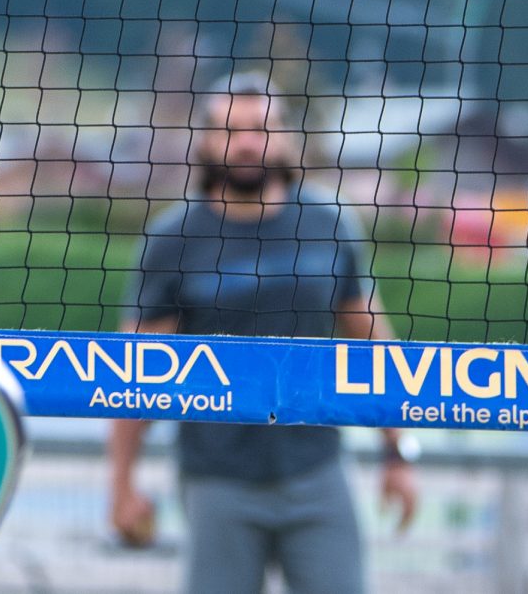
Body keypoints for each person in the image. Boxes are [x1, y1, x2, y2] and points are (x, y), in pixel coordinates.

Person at [107, 70, 418, 594]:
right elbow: (135, 372)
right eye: (232, 130)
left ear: (284, 137)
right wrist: (120, 485)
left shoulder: (328, 223)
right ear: (207, 140)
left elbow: (374, 344)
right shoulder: (172, 239)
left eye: (262, 127)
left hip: (317, 469)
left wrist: (398, 454)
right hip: (217, 479)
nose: (249, 142)